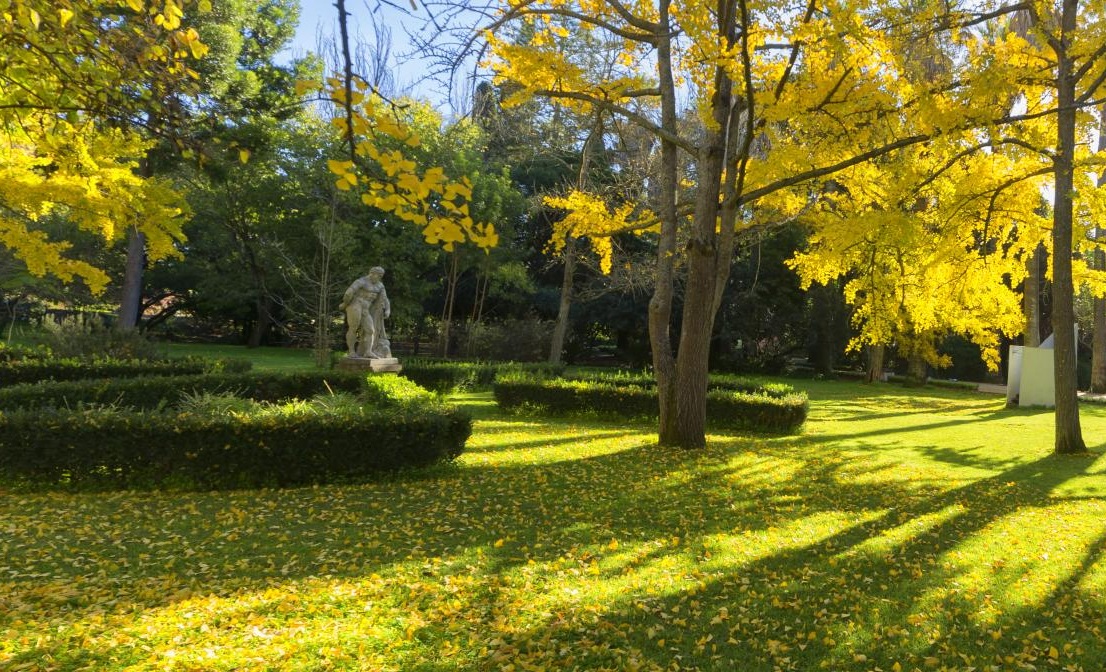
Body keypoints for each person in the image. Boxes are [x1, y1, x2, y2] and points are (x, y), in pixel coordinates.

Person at [339, 267, 390, 358]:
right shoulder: (361, 281)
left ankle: (368, 352)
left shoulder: (380, 285)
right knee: (353, 328)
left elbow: (384, 298)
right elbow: (348, 293)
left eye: (380, 276)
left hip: (365, 308)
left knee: (370, 330)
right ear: (372, 273)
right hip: (355, 305)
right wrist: (345, 303)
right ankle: (351, 351)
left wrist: (387, 309)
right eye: (378, 275)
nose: (379, 278)